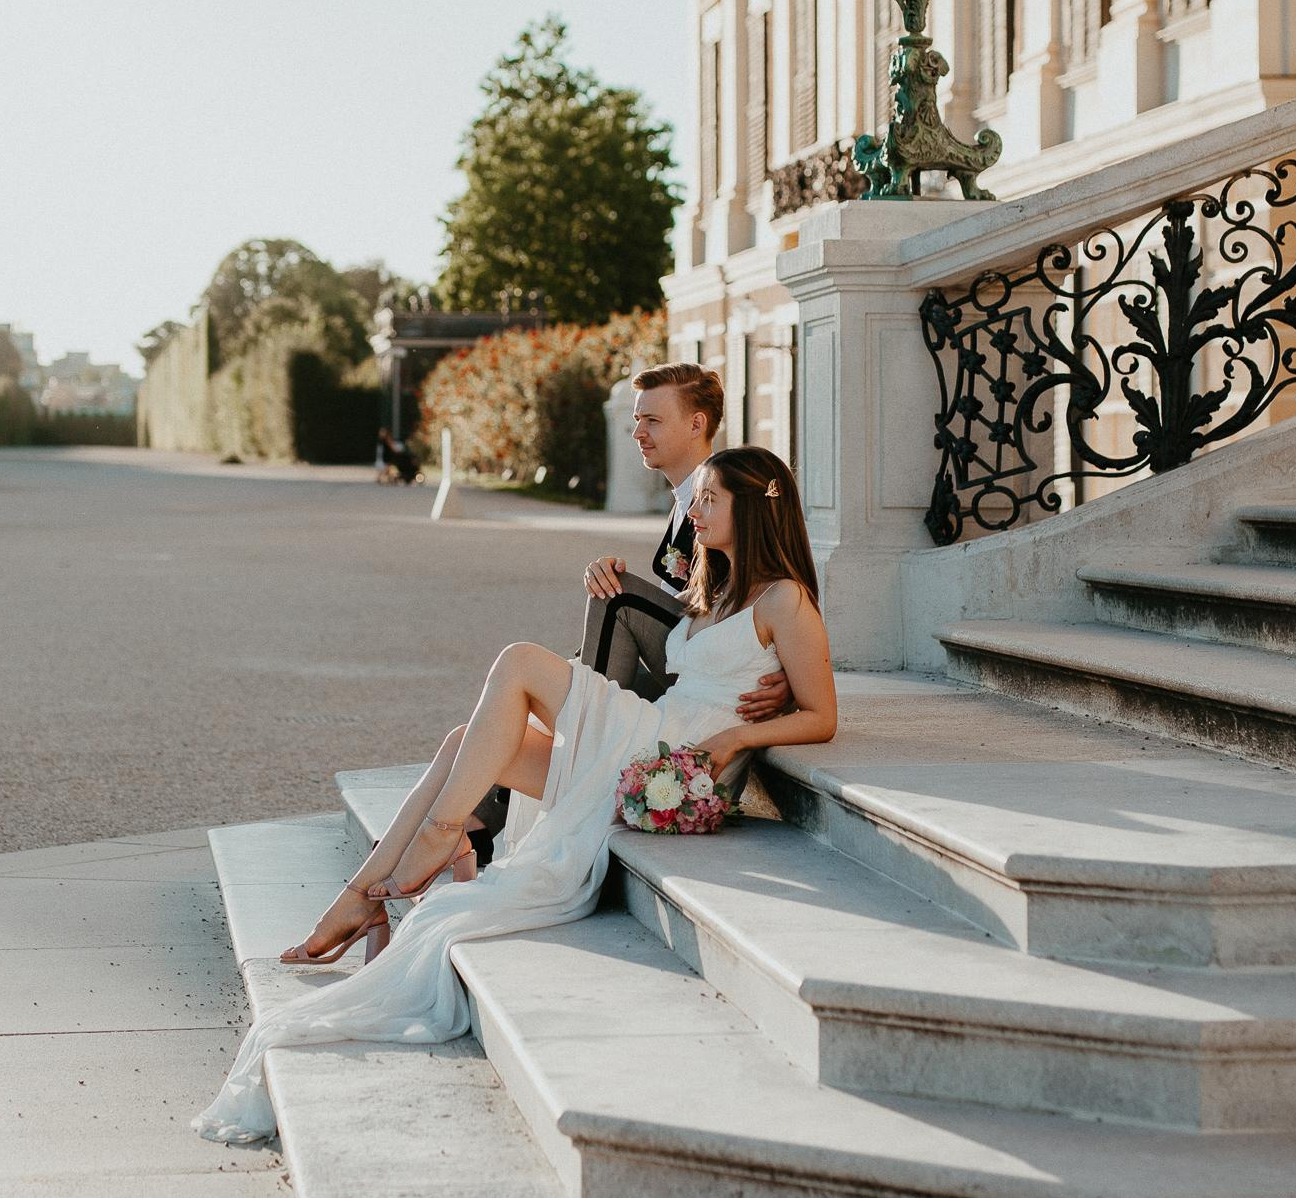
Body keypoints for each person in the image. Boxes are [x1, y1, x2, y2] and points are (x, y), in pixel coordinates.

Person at [195, 444, 838, 1146]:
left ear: (754, 510)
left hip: (672, 752)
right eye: (699, 496)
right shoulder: (715, 590)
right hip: (649, 737)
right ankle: (365, 891)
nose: (697, 510)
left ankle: (440, 837)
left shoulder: (785, 599)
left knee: (521, 662)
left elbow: (823, 715)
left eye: (712, 498)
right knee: (461, 741)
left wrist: (741, 736)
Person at [462, 362, 789, 861]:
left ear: (697, 424)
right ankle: (481, 814)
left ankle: (524, 792)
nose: (637, 433)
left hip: (705, 686)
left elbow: (774, 593)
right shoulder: (684, 501)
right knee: (568, 666)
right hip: (685, 660)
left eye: (652, 420)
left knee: (613, 604)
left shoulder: (727, 498)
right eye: (637, 420)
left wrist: (784, 675)